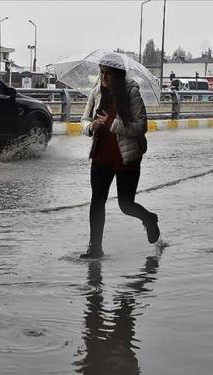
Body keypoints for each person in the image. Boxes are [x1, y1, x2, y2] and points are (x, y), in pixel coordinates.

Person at [79, 59, 160, 259]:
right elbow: (84, 119)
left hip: (127, 157)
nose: (104, 77)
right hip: (101, 155)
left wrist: (111, 123)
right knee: (97, 201)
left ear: (118, 75)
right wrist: (91, 127)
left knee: (126, 204)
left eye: (108, 73)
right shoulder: (97, 91)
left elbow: (141, 127)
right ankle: (94, 247)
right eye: (101, 72)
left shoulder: (131, 92)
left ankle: (149, 219)